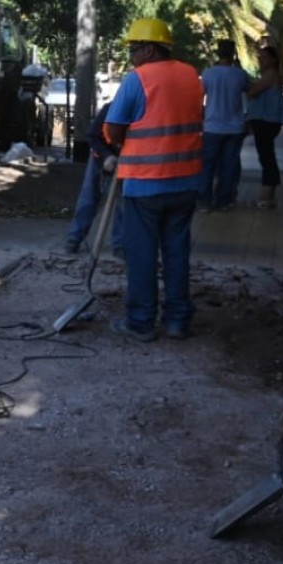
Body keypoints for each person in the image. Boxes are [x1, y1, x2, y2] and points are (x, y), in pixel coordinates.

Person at [104, 17, 204, 342]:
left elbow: (114, 128)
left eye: (134, 49)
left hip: (145, 184)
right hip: (186, 182)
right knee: (177, 253)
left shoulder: (138, 80)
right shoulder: (191, 76)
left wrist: (120, 140)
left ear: (148, 48)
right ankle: (177, 321)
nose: (131, 56)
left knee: (142, 255)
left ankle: (141, 322)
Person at [63, 101, 126, 256]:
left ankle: (119, 245)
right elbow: (92, 136)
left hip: (127, 160)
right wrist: (107, 156)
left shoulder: (142, 114)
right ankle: (74, 238)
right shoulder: (110, 109)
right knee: (89, 197)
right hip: (100, 158)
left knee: (124, 202)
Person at [199, 39, 250, 212]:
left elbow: (199, 97)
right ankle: (224, 201)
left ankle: (204, 202)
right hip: (235, 127)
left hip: (212, 127)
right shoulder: (240, 75)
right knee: (228, 166)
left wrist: (200, 118)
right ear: (233, 53)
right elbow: (250, 91)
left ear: (218, 53)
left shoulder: (208, 74)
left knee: (207, 166)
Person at [244, 44, 283, 209]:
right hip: (266, 121)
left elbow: (253, 91)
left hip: (266, 121)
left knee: (266, 158)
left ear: (273, 60)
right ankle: (269, 195)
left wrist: (245, 84)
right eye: (259, 58)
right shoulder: (270, 75)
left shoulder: (270, 75)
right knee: (267, 156)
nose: (260, 61)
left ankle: (266, 196)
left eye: (264, 58)